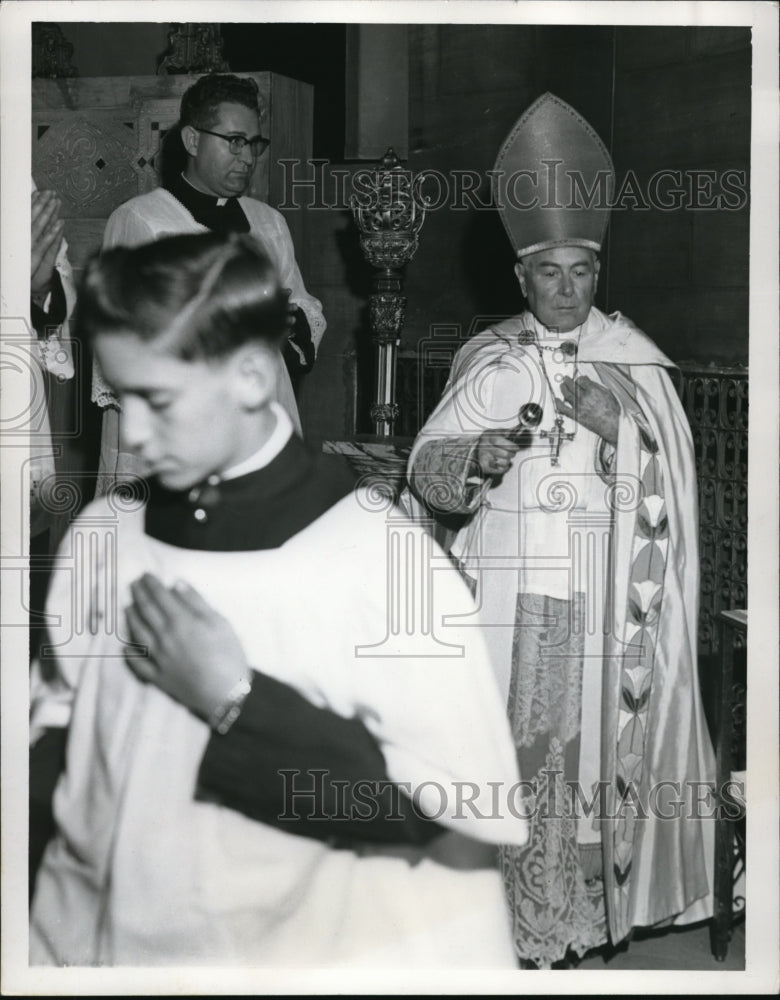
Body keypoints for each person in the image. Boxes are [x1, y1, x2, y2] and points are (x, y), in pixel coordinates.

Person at [29, 231, 529, 967]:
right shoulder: (105, 531)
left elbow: (450, 806)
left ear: (255, 376)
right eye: (117, 394)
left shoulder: (380, 559)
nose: (130, 433)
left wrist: (237, 700)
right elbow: (63, 743)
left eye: (155, 399)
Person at [407, 93, 715, 968]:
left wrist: (623, 432)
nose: (569, 289)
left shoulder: (638, 366)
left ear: (598, 272)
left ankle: (576, 917)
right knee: (515, 759)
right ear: (522, 278)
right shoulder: (490, 359)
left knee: (582, 775)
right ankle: (497, 920)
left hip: (601, 605)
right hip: (510, 598)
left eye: (584, 271)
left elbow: (679, 489)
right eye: (551, 273)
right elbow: (424, 473)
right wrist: (476, 455)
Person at [93, 73, 324, 487]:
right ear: (193, 141)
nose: (248, 156)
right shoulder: (143, 221)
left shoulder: (268, 224)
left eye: (254, 143)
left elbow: (304, 306)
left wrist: (290, 325)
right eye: (233, 140)